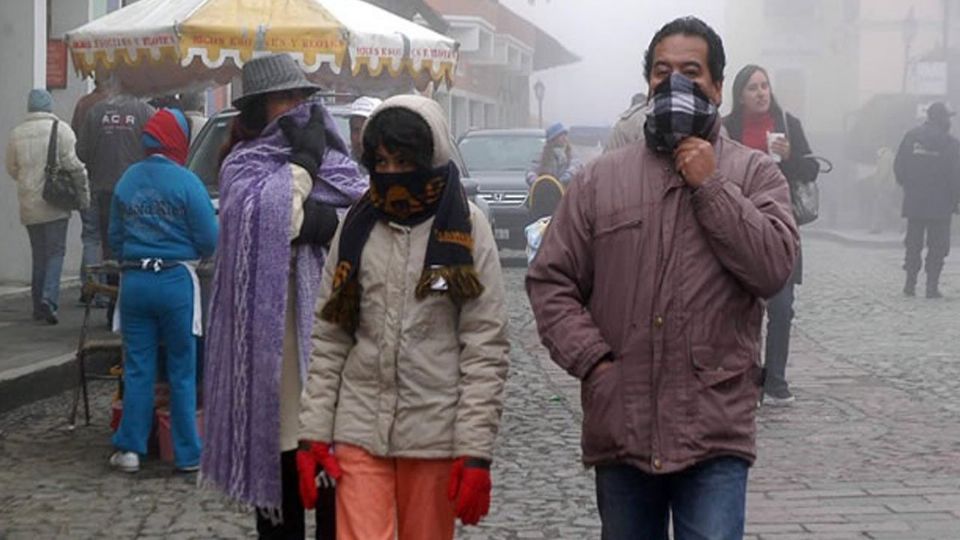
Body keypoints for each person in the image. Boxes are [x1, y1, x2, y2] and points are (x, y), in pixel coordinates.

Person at [526, 17, 799, 540]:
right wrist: (595, 363)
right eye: (662, 71)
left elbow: (773, 268)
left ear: (718, 88)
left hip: (715, 429)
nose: (674, 83)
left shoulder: (755, 174)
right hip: (622, 424)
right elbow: (550, 281)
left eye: (691, 72)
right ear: (648, 82)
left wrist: (712, 186)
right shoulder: (600, 180)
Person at [297, 95, 510, 540]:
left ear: (430, 158)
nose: (391, 174)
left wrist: (474, 453)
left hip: (434, 433)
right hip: (357, 427)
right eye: (382, 161)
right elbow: (331, 334)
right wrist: (313, 433)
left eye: (403, 161)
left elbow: (484, 348)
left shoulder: (468, 230)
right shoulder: (355, 226)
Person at [201, 53, 366, 539]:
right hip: (271, 352)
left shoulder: (336, 164)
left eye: (302, 97)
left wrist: (327, 222)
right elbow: (277, 222)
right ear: (258, 108)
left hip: (329, 339)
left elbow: (363, 212)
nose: (296, 107)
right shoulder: (241, 167)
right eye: (284, 97)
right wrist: (301, 167)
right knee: (283, 469)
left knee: (334, 476)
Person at [106, 108, 218, 473]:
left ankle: (130, 450)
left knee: (138, 365)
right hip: (175, 283)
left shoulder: (127, 180)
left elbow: (114, 238)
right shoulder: (187, 183)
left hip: (135, 282)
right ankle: (187, 454)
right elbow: (209, 238)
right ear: (178, 141)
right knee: (182, 369)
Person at [723, 64, 820, 405]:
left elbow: (811, 168)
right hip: (739, 227)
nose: (761, 93)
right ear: (740, 96)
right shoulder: (726, 129)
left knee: (782, 308)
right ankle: (744, 378)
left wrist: (790, 156)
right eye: (753, 88)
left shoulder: (787, 124)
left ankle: (775, 380)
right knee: (738, 308)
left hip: (781, 227)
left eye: (765, 85)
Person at [5, 89, 90, 324]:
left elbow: (12, 168)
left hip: (29, 204)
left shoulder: (17, 133)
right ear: (49, 106)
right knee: (55, 252)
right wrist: (83, 196)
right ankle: (49, 299)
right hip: (55, 202)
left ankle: (37, 305)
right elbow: (74, 165)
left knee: (39, 255)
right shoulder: (61, 130)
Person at [893, 101, 960, 299]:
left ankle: (910, 283)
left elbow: (899, 167)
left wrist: (909, 186)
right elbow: (956, 175)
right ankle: (932, 286)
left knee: (913, 243)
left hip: (915, 201)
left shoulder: (911, 137)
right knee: (938, 247)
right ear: (942, 118)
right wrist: (956, 200)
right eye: (948, 117)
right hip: (941, 204)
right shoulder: (951, 144)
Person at [71, 73, 110, 305]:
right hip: (116, 181)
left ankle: (90, 287)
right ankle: (107, 289)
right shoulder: (126, 106)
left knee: (91, 237)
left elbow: (78, 146)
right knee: (110, 239)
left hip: (91, 179)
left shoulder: (84, 104)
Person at [347, 96, 382, 169]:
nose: (360, 140)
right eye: (356, 130)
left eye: (366, 130)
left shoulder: (393, 167)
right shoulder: (341, 167)